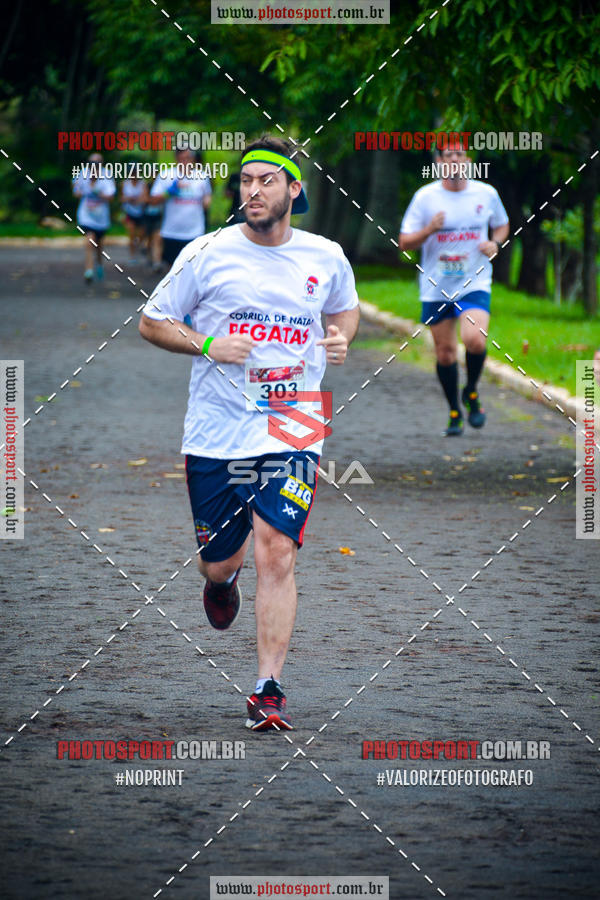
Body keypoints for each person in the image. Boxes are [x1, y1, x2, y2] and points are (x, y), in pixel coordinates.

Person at [139, 135, 360, 731]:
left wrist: (340, 337)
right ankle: (221, 579)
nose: (253, 191)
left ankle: (268, 687)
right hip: (216, 429)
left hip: (295, 420)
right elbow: (152, 322)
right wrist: (210, 343)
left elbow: (344, 310)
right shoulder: (207, 252)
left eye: (267, 180)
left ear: (295, 190)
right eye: (245, 181)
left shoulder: (325, 255)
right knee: (220, 562)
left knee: (278, 551)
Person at [399, 140, 509, 435]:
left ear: (468, 160)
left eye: (461, 154)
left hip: (475, 281)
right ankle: (454, 410)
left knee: (475, 340)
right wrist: (430, 229)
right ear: (439, 162)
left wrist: (495, 243)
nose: (456, 159)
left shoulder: (486, 194)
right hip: (437, 285)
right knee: (445, 353)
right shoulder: (425, 198)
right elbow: (404, 243)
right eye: (449, 155)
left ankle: (471, 391)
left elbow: (502, 225)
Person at [149, 148, 212, 268]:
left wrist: (206, 201)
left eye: (188, 158)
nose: (185, 162)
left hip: (195, 232)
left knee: (192, 268)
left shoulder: (202, 176)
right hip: (172, 231)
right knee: (173, 270)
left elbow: (207, 198)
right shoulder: (166, 175)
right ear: (176, 158)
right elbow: (152, 201)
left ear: (193, 159)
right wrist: (169, 192)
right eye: (182, 159)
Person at [72, 152, 116, 282]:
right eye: (91, 163)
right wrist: (80, 191)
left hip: (101, 217)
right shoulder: (83, 173)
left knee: (99, 245)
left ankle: (99, 264)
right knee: (89, 240)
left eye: (96, 163)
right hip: (86, 215)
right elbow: (76, 190)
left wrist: (98, 192)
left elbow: (111, 196)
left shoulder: (107, 175)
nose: (93, 166)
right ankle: (88, 270)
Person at [120, 171, 147, 262]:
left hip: (141, 212)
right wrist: (129, 199)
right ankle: (132, 256)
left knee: (141, 235)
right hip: (129, 212)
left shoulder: (143, 183)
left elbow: (145, 197)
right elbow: (122, 198)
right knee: (131, 234)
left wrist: (137, 200)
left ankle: (138, 249)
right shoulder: (125, 183)